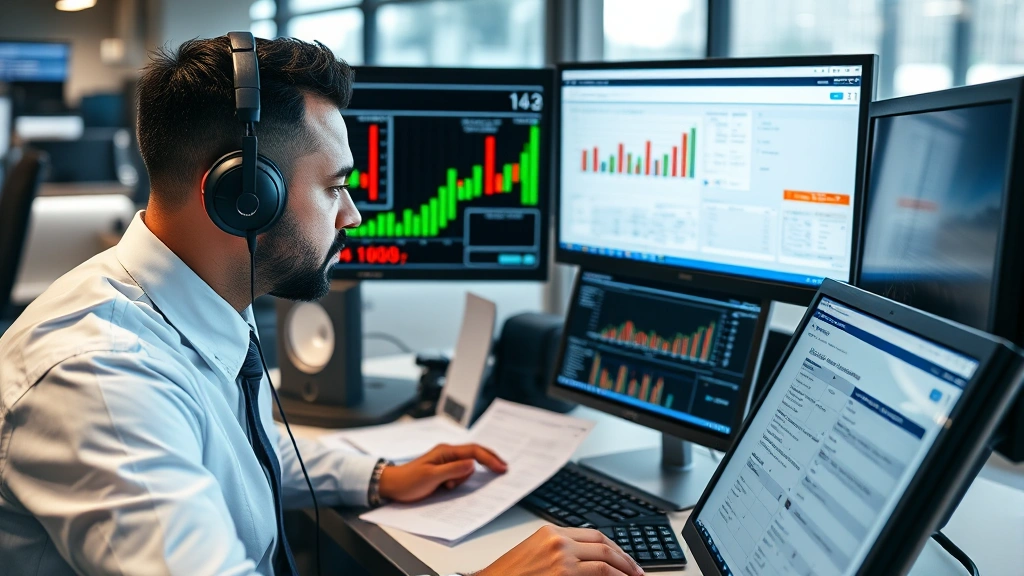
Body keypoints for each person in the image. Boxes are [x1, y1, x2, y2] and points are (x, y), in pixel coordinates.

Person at [0, 35, 644, 576]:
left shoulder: (191, 299)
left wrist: (379, 476)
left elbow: (234, 446)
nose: (354, 214)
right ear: (244, 196)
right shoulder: (103, 379)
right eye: (335, 186)